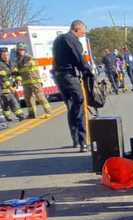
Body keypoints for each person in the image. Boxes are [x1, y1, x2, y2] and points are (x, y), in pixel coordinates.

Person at [52, 20, 93, 151]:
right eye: (83, 31)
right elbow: (78, 58)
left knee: (71, 107)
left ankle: (75, 139)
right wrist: (88, 71)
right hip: (69, 76)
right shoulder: (71, 39)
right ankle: (83, 142)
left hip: (60, 77)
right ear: (77, 28)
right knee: (79, 105)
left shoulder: (58, 40)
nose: (84, 33)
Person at [15, 42, 52, 119]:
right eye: (19, 50)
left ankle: (48, 112)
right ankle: (32, 114)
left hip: (34, 81)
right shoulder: (18, 60)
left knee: (40, 97)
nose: (20, 51)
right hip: (26, 83)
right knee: (28, 99)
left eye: (22, 49)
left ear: (25, 50)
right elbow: (18, 71)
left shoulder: (29, 58)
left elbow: (30, 68)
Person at [0, 47, 25, 121]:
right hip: (3, 86)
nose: (6, 56)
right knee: (11, 100)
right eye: (4, 55)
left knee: (5, 102)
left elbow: (16, 73)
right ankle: (20, 115)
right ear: (0, 56)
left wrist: (18, 80)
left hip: (11, 85)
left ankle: (7, 116)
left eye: (7, 54)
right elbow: (3, 78)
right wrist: (10, 87)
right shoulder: (0, 65)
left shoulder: (12, 63)